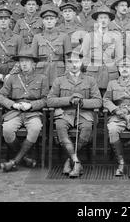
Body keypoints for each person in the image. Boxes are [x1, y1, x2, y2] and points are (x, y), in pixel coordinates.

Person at [47, 50, 102, 178]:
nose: (74, 65)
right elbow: (49, 100)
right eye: (70, 62)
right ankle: (76, 162)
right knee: (60, 127)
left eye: (76, 62)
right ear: (66, 64)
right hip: (65, 114)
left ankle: (69, 160)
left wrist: (82, 102)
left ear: (81, 62)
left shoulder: (90, 80)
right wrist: (68, 100)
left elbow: (98, 101)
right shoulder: (59, 80)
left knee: (87, 128)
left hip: (84, 114)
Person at [0, 50, 49, 172]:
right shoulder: (12, 78)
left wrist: (30, 105)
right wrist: (13, 104)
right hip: (15, 112)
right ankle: (25, 158)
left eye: (27, 61)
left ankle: (14, 161)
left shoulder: (42, 78)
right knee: (7, 130)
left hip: (33, 113)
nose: (24, 64)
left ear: (33, 64)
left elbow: (46, 99)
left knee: (35, 128)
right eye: (21, 61)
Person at [81, 5, 122, 96]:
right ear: (97, 20)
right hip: (93, 73)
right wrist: (90, 67)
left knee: (110, 97)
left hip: (111, 73)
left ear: (109, 20)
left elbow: (119, 57)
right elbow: (85, 56)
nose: (103, 20)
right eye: (100, 18)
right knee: (93, 96)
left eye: (105, 18)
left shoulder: (116, 36)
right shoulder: (89, 36)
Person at [31, 5, 72, 87]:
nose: (49, 21)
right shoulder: (37, 37)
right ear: (43, 21)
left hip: (58, 71)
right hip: (41, 71)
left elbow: (68, 58)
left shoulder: (64, 36)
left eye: (51, 19)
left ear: (56, 20)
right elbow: (33, 59)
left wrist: (67, 74)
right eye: (46, 19)